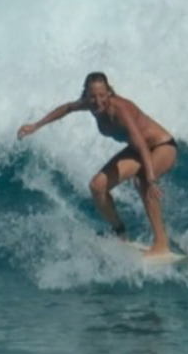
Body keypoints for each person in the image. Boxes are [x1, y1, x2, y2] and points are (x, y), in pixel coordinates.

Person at [17, 72, 177, 256]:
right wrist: (36, 126)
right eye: (93, 97)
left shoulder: (120, 110)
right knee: (97, 186)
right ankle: (120, 232)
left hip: (161, 146)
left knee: (142, 182)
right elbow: (67, 108)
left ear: (109, 92)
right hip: (137, 151)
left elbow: (141, 143)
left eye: (102, 95)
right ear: (86, 95)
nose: (98, 101)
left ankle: (161, 243)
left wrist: (151, 178)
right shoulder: (90, 104)